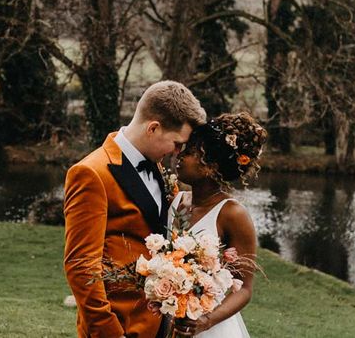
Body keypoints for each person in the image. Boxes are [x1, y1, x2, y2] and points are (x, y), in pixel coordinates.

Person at [64, 81, 207, 338]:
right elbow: (80, 265)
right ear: (153, 128)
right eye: (176, 144)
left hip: (157, 325)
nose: (177, 153)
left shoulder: (159, 170)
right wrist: (110, 332)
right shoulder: (91, 174)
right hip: (119, 326)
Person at [167, 112, 267, 338]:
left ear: (210, 167)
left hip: (210, 329)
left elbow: (245, 288)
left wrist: (206, 321)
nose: (180, 155)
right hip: (171, 322)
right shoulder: (176, 201)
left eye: (191, 152)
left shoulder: (232, 214)